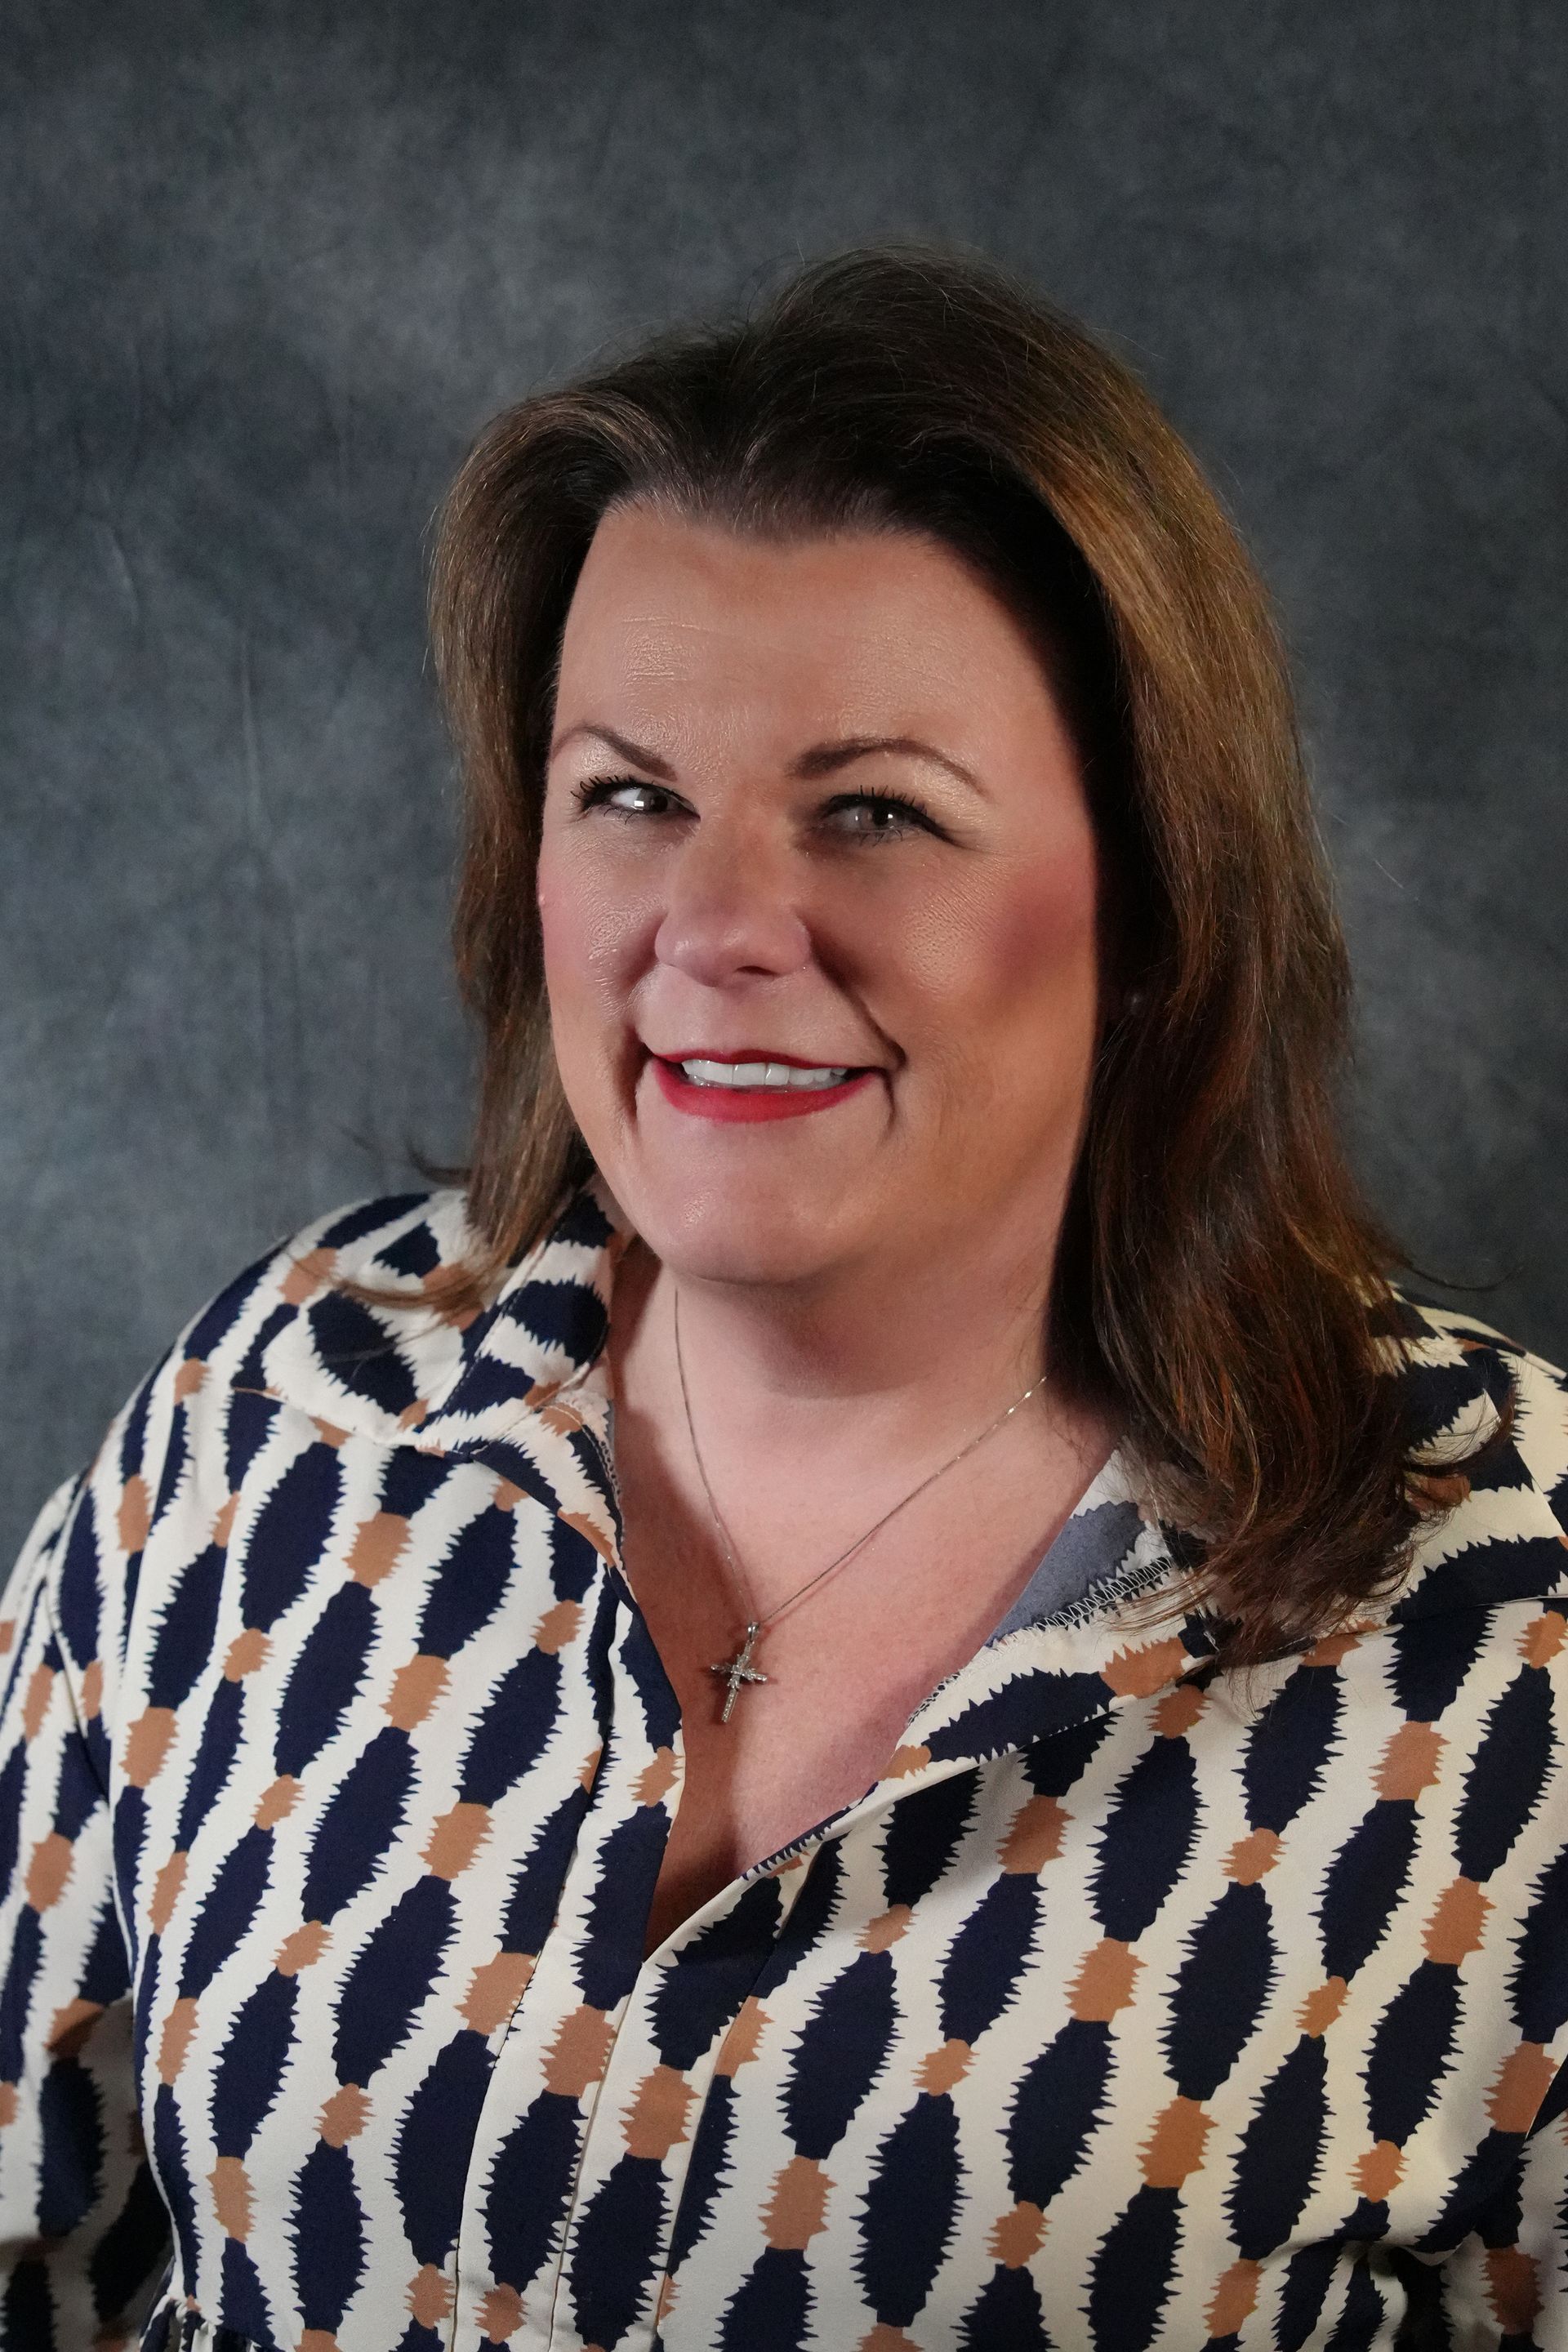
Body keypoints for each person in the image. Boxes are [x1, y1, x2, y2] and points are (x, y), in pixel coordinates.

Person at [0, 243, 1563, 2352]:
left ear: (1156, 905)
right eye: (632, 796)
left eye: (877, 814)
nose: (717, 925)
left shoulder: (1510, 1624)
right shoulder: (283, 1416)